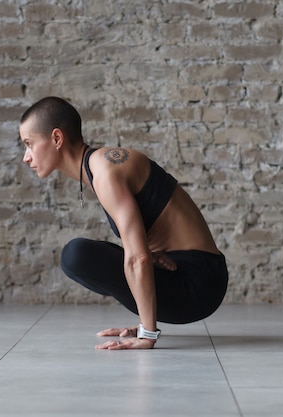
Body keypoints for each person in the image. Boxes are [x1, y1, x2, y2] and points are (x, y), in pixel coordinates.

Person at [19, 96, 228, 350]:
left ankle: (148, 327)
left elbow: (137, 258)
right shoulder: (101, 164)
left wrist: (147, 335)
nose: (25, 157)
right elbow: (143, 252)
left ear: (56, 139)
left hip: (198, 284)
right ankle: (147, 321)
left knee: (76, 255)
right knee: (87, 256)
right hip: (193, 274)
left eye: (29, 144)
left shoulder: (105, 172)